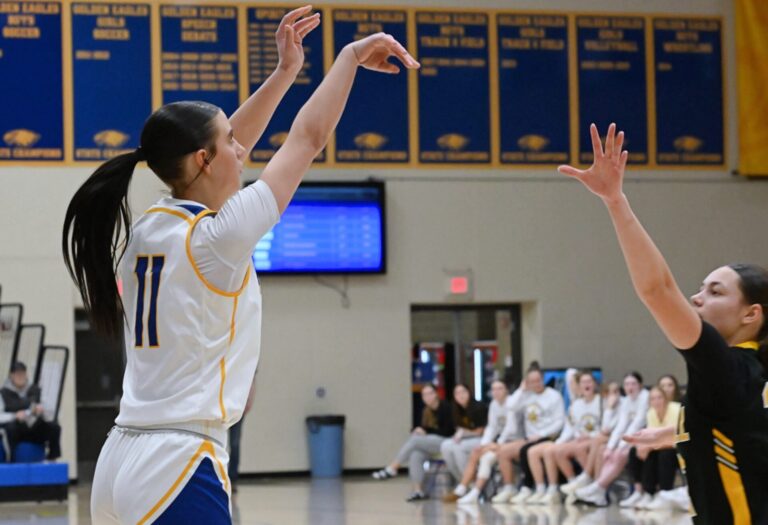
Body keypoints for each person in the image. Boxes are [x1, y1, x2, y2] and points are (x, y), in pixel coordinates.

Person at [62, 5, 419, 521]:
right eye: (229, 142)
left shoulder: (148, 227)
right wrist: (349, 57)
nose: (242, 148)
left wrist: (285, 72)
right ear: (204, 160)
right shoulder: (217, 239)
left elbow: (232, 145)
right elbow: (308, 138)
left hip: (118, 460)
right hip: (177, 462)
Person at [559, 123, 768, 522]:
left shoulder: (726, 370)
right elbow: (748, 426)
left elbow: (658, 290)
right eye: (701, 288)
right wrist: (682, 432)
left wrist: (615, 201)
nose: (696, 297)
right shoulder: (752, 377)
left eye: (716, 291)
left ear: (751, 314)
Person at [480, 366, 565, 505]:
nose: (536, 384)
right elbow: (511, 406)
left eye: (538, 380)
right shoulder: (526, 396)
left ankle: (538, 488)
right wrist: (521, 390)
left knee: (528, 451)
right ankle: (509, 488)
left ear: (543, 380)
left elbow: (560, 421)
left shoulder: (554, 396)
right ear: (527, 382)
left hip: (548, 436)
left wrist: (541, 434)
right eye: (532, 381)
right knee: (503, 451)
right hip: (529, 438)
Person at [525, 371, 601, 505]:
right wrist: (559, 443)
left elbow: (606, 426)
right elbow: (570, 429)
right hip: (578, 439)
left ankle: (590, 483)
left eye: (589, 382)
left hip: (596, 439)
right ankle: (569, 485)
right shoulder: (575, 405)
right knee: (554, 450)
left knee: (577, 449)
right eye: (583, 382)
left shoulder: (601, 401)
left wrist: (590, 436)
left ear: (595, 384)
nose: (586, 385)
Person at [574, 371, 648, 506]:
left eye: (633, 384)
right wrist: (610, 448)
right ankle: (599, 492)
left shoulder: (644, 397)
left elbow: (637, 423)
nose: (630, 387)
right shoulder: (627, 401)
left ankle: (597, 485)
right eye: (627, 384)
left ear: (640, 385)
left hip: (644, 437)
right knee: (604, 450)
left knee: (620, 453)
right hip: (629, 439)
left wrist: (619, 447)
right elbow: (621, 426)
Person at [371, 384, 454, 501]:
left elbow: (446, 431)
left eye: (430, 393)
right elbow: (423, 427)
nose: (427, 397)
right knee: (416, 453)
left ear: (436, 394)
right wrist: (418, 430)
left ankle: (393, 468)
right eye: (424, 395)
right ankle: (418, 491)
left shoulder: (445, 407)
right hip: (432, 444)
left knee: (415, 440)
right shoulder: (426, 411)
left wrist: (426, 431)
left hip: (447, 442)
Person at [443, 379, 509, 502]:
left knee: (467, 451)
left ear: (506, 390)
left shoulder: (511, 404)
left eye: (500, 388)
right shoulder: (494, 405)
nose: (496, 392)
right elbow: (492, 428)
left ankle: (473, 489)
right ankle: (466, 487)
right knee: (477, 453)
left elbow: (511, 428)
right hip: (494, 441)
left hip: (509, 441)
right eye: (494, 389)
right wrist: (484, 444)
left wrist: (496, 444)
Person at [621, 385, 681, 509]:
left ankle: (665, 494)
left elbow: (677, 438)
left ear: (665, 398)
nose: (656, 401)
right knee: (635, 451)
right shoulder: (651, 413)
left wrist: (650, 446)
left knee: (664, 455)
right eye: (653, 399)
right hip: (660, 447)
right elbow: (651, 438)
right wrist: (643, 446)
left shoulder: (676, 409)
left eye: (659, 397)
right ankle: (643, 492)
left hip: (679, 449)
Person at [561, 380, 621, 499]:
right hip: (607, 439)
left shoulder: (622, 405)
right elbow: (605, 428)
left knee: (595, 442)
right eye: (609, 392)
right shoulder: (607, 405)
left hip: (618, 439)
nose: (613, 395)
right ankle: (594, 487)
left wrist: (609, 408)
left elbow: (607, 430)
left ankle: (588, 477)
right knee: (597, 447)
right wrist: (609, 408)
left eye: (616, 392)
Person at [0, 362, 62, 461]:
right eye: (17, 374)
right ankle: (11, 460)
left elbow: (50, 411)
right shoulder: (3, 393)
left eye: (23, 374)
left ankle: (52, 458)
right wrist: (15, 415)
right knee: (10, 429)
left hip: (33, 425)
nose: (21, 377)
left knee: (54, 428)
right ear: (11, 375)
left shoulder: (35, 390)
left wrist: (41, 410)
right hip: (16, 428)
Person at [440, 384, 487, 483]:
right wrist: (459, 435)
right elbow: (458, 429)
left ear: (469, 392)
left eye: (463, 392)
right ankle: (461, 480)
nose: (460, 395)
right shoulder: (456, 409)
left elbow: (480, 431)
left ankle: (470, 482)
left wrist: (465, 433)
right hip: (465, 439)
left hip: (481, 439)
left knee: (458, 448)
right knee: (445, 446)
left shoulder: (478, 406)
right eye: (457, 393)